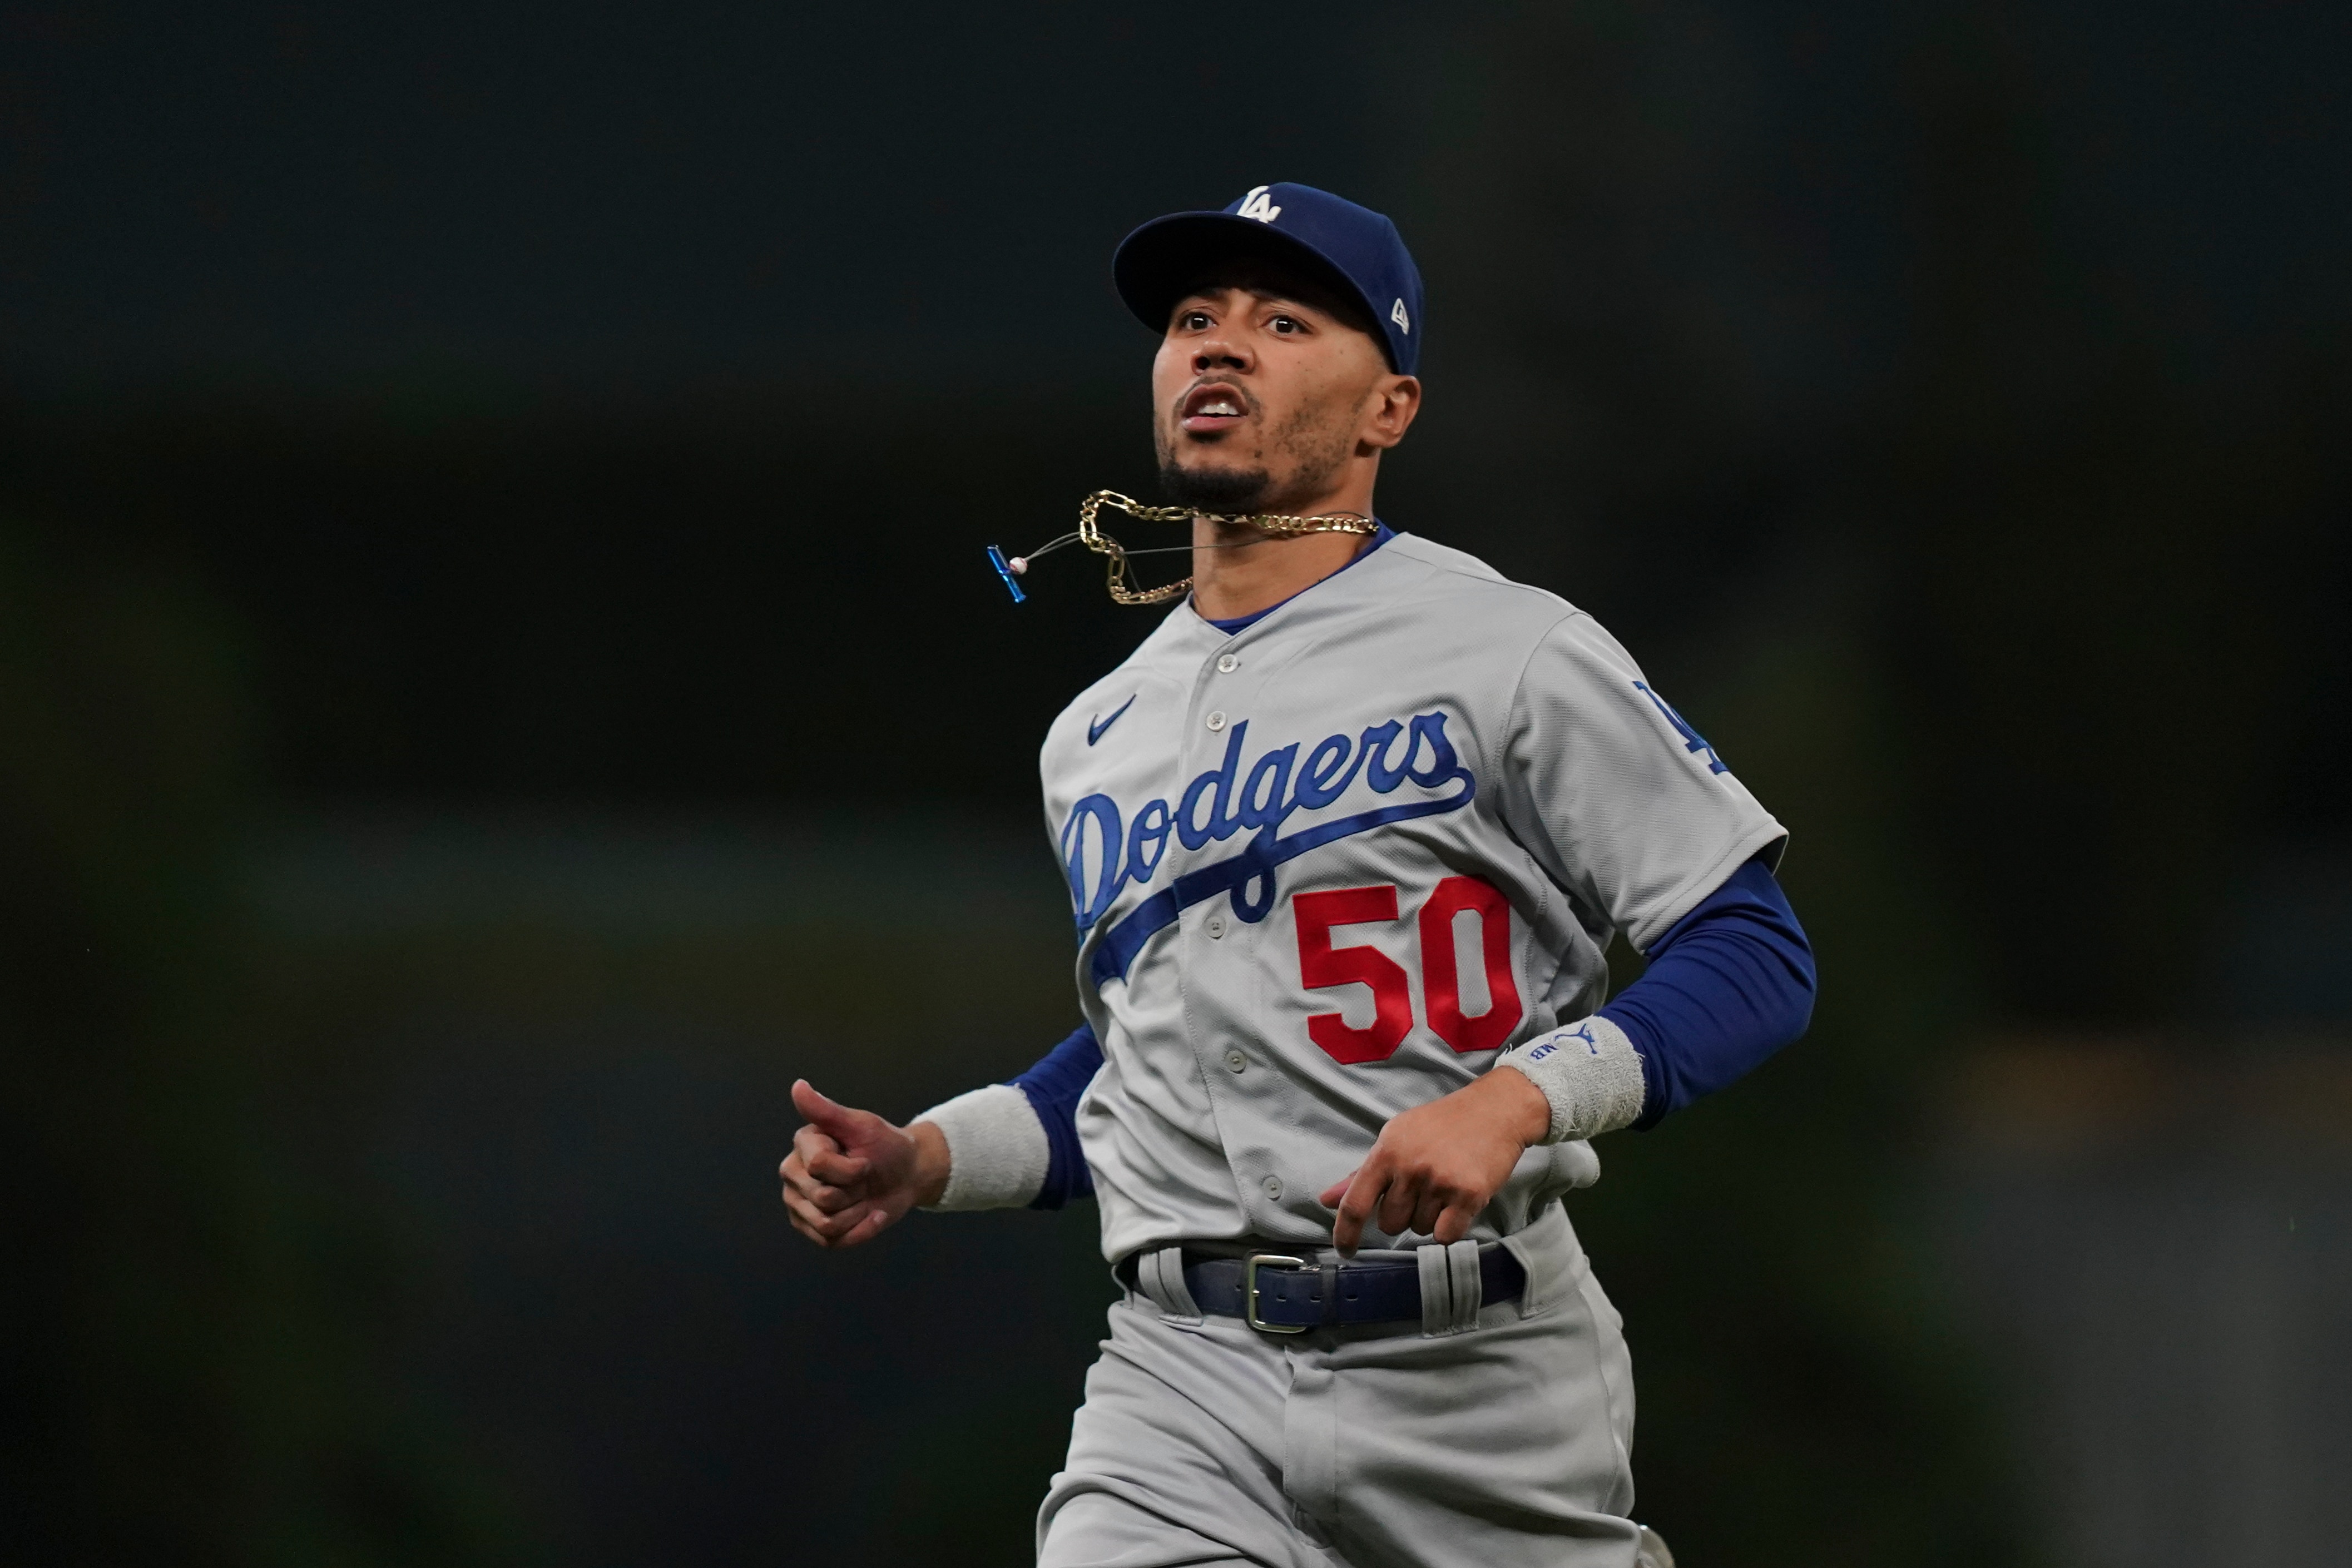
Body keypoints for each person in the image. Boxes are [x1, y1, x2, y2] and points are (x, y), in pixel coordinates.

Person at [779, 182, 1814, 1568]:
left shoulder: (1510, 649)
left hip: (1483, 1372)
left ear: (1391, 408)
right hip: (1179, 1383)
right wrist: (930, 1155)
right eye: (1194, 319)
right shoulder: (1095, 736)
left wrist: (1522, 1095)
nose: (1218, 345)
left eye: (1282, 319)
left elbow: (1756, 951)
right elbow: (1151, 1055)